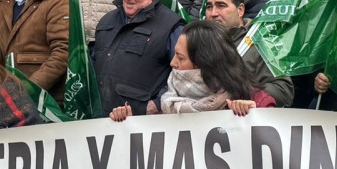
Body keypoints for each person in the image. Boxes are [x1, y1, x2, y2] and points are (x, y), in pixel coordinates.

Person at [109, 21, 270, 120]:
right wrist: (127, 124)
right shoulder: (168, 105)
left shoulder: (256, 100)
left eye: (180, 57)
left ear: (204, 62)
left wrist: (254, 115)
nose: (172, 63)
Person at [91, 0, 185, 116]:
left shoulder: (172, 27)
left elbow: (183, 74)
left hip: (142, 121)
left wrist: (157, 104)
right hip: (100, 118)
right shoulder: (106, 21)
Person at [204, 0, 293, 106]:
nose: (213, 13)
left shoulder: (262, 41)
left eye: (221, 5)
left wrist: (245, 95)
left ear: (240, 10)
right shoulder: (196, 41)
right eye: (209, 7)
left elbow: (283, 90)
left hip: (244, 116)